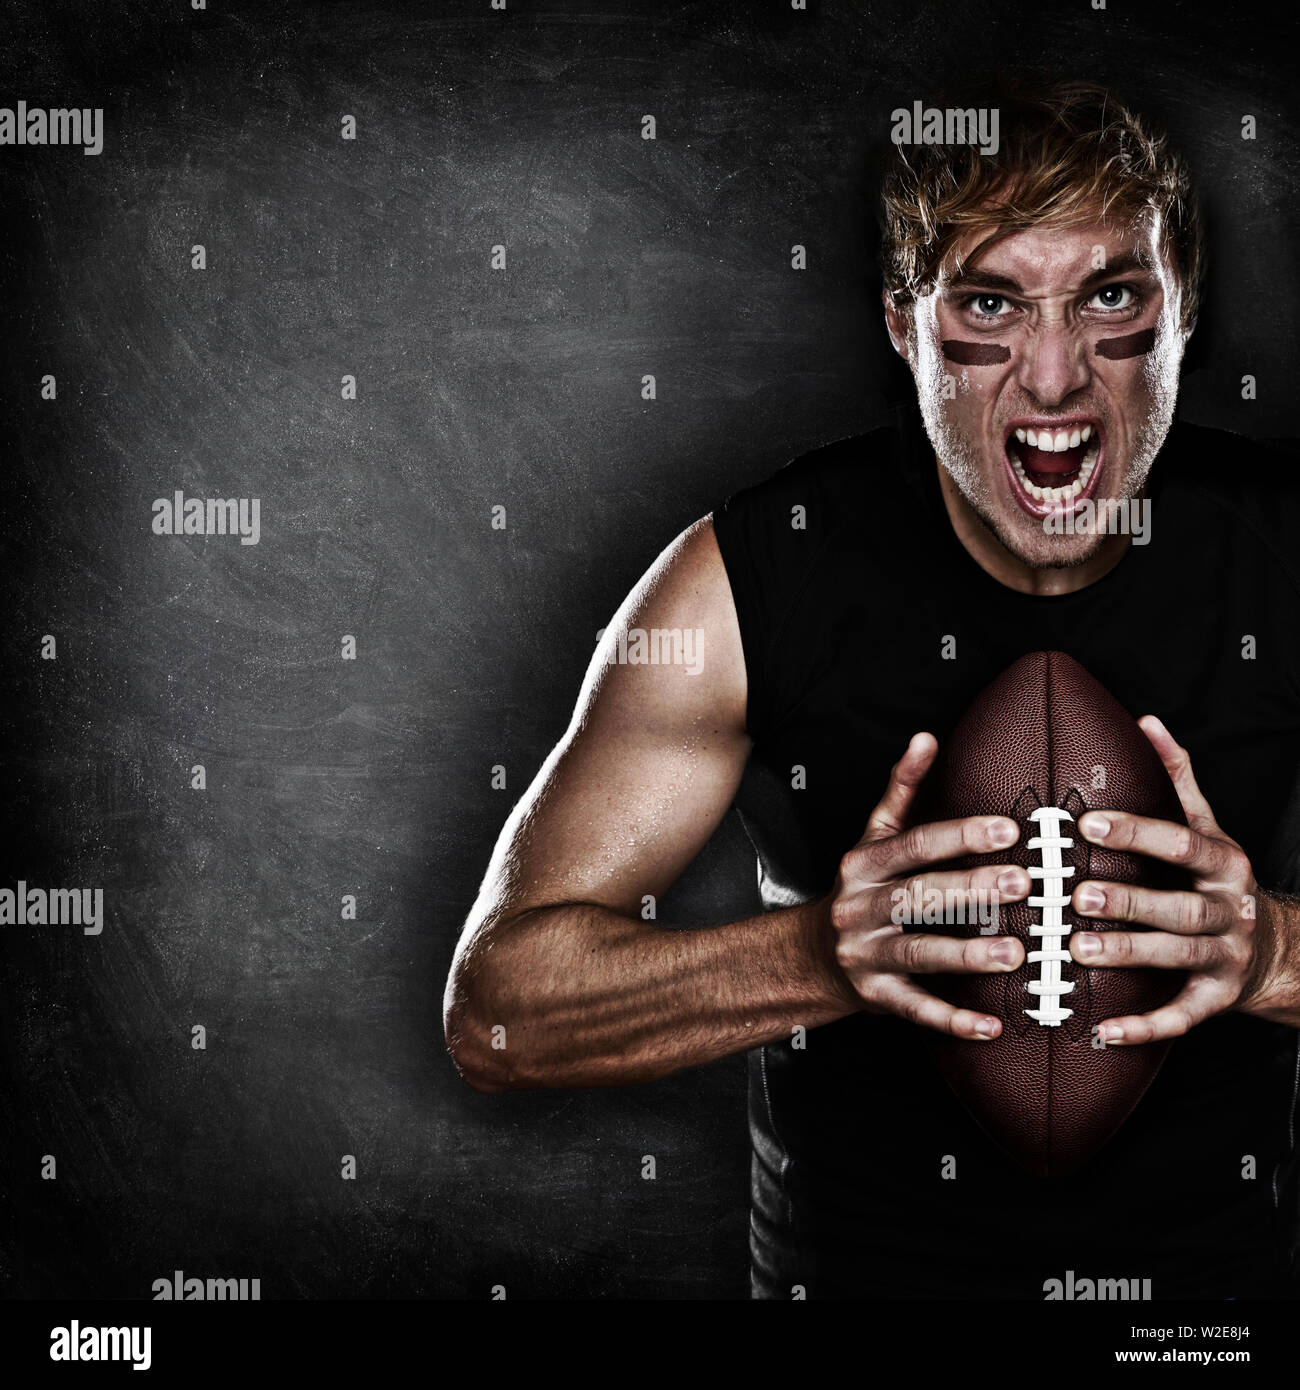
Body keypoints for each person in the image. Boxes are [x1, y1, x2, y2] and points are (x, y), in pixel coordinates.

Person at [444, 80, 1300, 1299]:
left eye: (1110, 296)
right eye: (988, 304)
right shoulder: (751, 575)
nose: (1053, 379)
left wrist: (1268, 951)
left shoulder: (1279, 554)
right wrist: (823, 954)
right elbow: (496, 1016)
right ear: (904, 324)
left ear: (1182, 311)